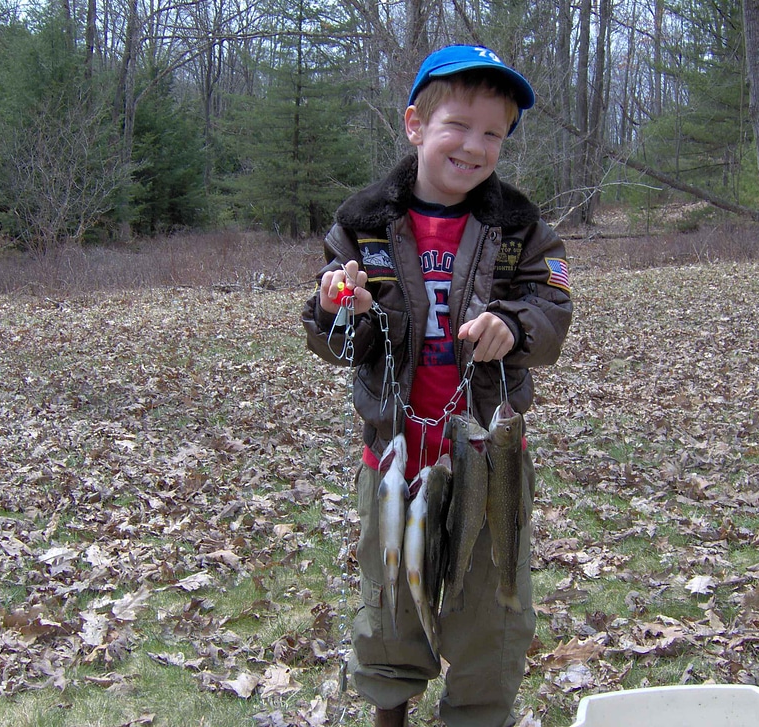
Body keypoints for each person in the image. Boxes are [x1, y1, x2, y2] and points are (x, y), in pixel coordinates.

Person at [302, 44, 573, 727]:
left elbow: (553, 308)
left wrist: (514, 323)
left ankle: (477, 715)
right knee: (391, 608)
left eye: (493, 133)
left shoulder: (520, 227)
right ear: (416, 125)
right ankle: (388, 711)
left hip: (488, 461)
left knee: (492, 616)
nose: (475, 145)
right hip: (394, 458)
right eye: (458, 124)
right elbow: (339, 339)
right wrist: (340, 307)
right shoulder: (363, 225)